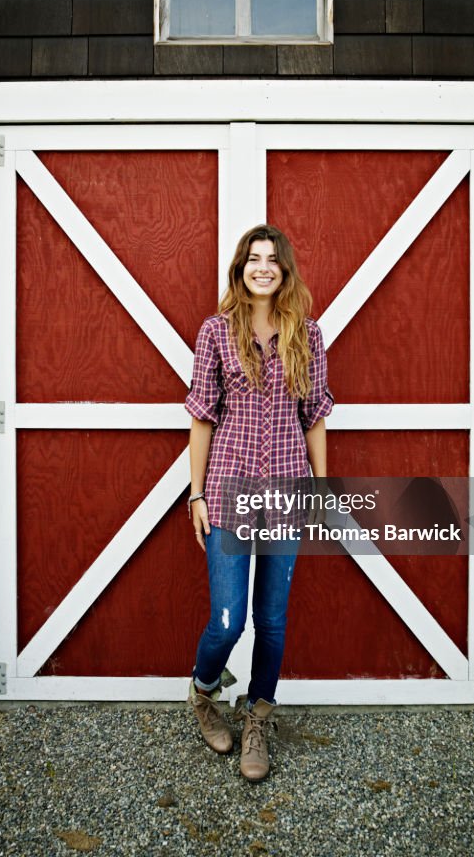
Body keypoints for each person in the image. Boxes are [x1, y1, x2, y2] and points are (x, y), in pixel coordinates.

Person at [184, 224, 334, 781]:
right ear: (241, 268)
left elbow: (314, 414)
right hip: (227, 492)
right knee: (228, 622)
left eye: (272, 259)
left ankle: (257, 719)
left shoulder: (308, 335)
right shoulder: (216, 333)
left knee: (271, 621)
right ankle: (203, 693)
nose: (263, 267)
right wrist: (196, 493)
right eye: (253, 258)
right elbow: (201, 418)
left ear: (285, 269)